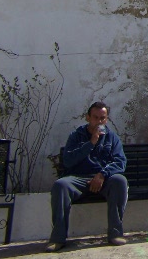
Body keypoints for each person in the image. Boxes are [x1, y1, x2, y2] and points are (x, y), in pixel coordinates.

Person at [46, 102, 129, 251]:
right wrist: (91, 143)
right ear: (88, 118)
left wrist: (102, 174)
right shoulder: (76, 136)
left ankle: (115, 234)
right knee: (60, 186)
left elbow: (120, 162)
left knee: (120, 181)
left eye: (102, 118)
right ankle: (57, 239)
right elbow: (68, 160)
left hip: (103, 179)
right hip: (78, 178)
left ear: (107, 119)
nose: (99, 121)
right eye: (95, 117)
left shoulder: (112, 137)